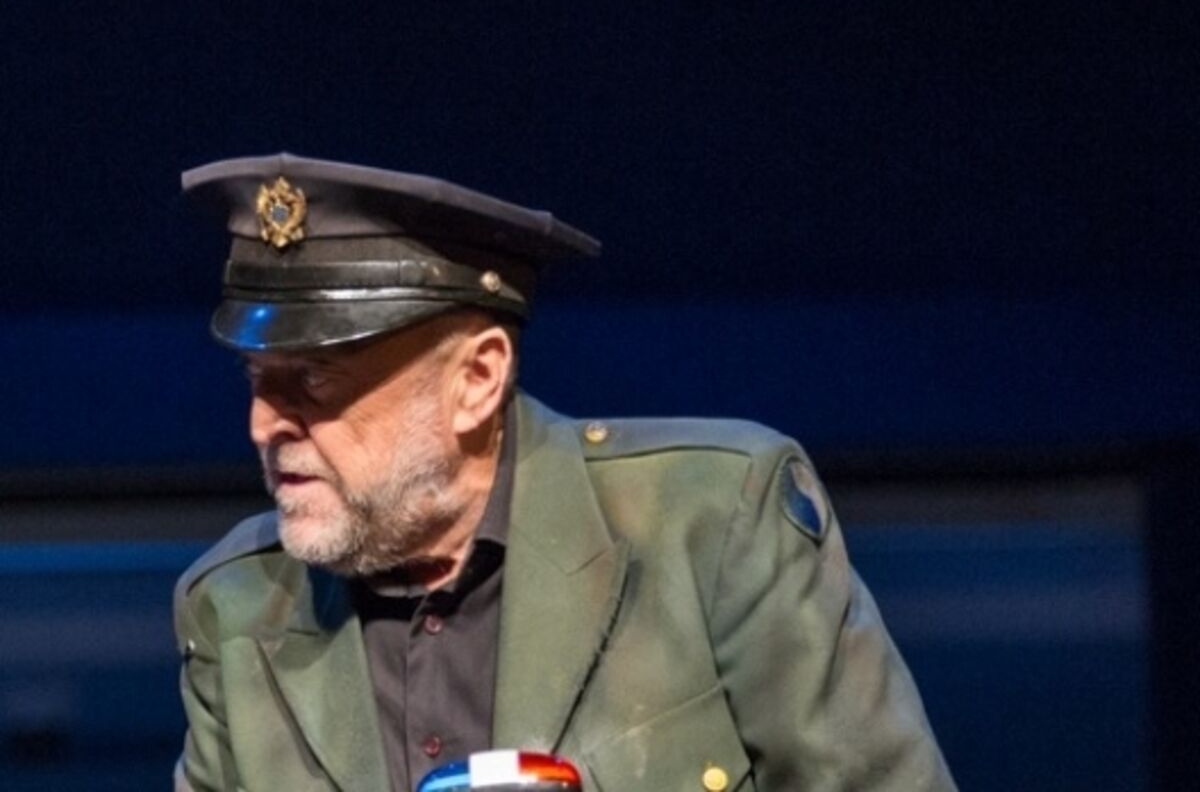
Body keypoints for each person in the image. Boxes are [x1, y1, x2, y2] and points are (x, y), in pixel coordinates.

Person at [173, 153, 956, 792]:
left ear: (477, 379)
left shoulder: (713, 525)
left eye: (313, 382)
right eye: (256, 380)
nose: (263, 425)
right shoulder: (235, 609)